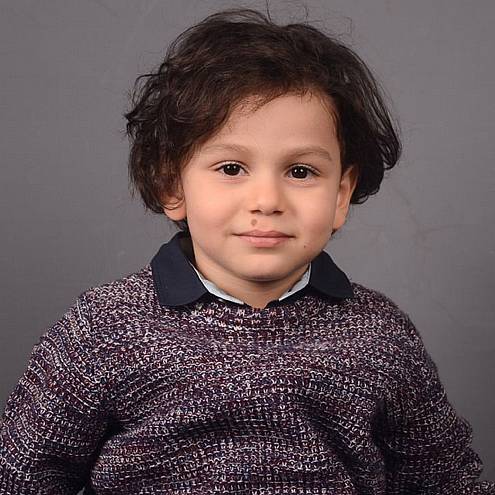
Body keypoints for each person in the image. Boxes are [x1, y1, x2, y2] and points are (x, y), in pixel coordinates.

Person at [0, 7, 493, 495]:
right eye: (232, 168)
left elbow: (444, 480)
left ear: (341, 195)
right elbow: (21, 475)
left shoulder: (379, 334)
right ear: (172, 184)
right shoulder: (103, 328)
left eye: (300, 171)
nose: (266, 201)